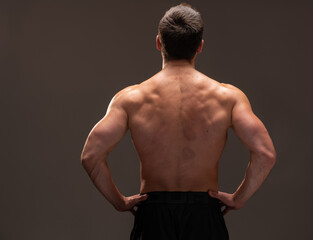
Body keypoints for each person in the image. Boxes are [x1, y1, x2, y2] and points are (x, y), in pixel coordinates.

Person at [80, 3, 276, 240]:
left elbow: (91, 155)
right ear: (200, 47)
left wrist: (119, 202)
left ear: (159, 43)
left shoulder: (131, 98)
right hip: (204, 214)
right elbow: (265, 153)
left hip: (154, 214)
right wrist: (238, 198)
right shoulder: (227, 97)